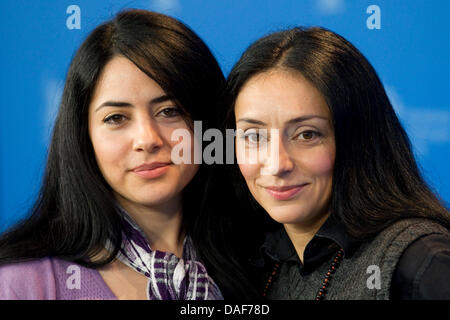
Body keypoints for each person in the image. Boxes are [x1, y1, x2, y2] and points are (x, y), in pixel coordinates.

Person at [0, 9, 251, 300]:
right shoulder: (22, 284)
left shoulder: (262, 263)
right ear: (84, 136)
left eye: (169, 111)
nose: (147, 140)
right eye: (117, 118)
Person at [223, 26, 450, 300]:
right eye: (254, 136)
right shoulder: (254, 265)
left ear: (357, 140)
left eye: (307, 134)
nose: (276, 164)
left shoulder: (421, 261)